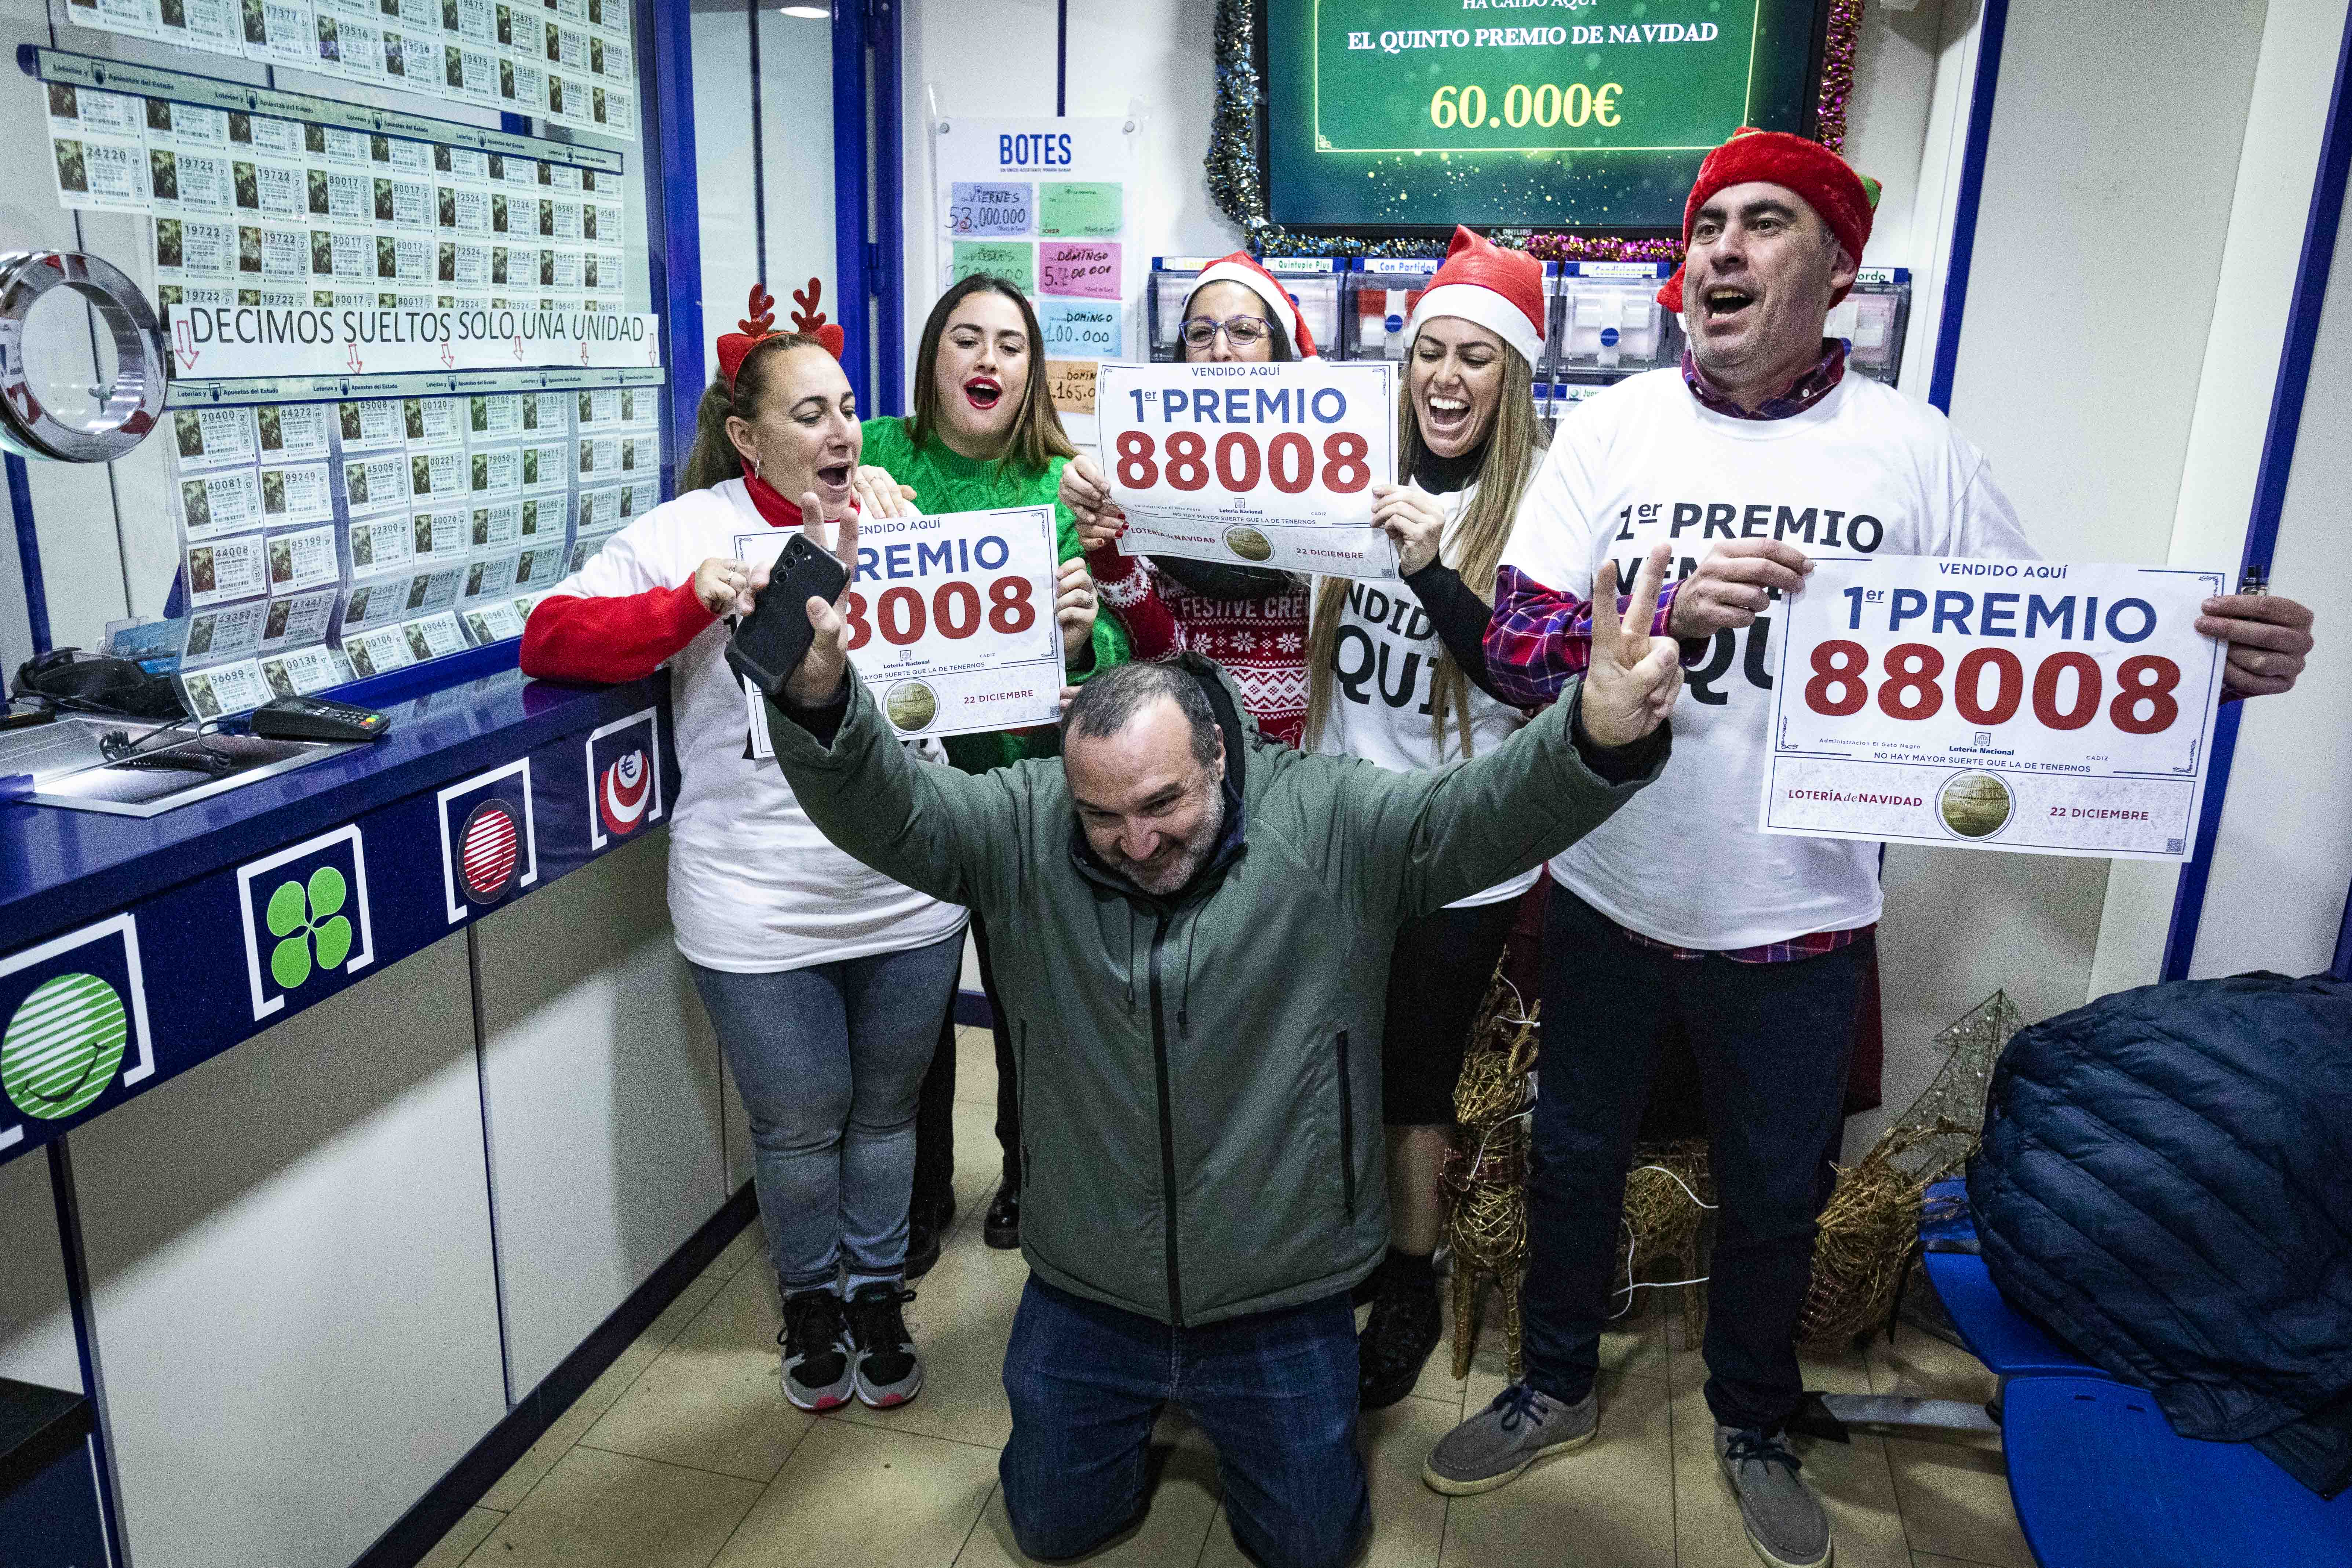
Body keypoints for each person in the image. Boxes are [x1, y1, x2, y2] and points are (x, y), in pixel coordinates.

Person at [1424, 128, 2319, 1568]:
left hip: (1798, 919)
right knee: (1574, 1157)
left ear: (1833, 270)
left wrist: (2205, 664)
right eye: (1705, 225)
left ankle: (1754, 1417)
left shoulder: (1917, 449)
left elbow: (2035, 657)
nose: (1717, 250)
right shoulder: (1614, 430)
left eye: (1760, 224)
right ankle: (1553, 1382)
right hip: (1606, 888)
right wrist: (1657, 611)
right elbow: (1521, 652)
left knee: (1778, 1191)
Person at [751, 491, 1685, 1568]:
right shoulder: (1025, 821)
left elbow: (1470, 817)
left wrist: (1593, 738)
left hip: (1277, 1290)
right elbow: (896, 811)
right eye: (1102, 817)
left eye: (1162, 805)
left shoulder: (1330, 818)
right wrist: (823, 706)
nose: (1135, 842)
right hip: (1089, 1283)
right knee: (1053, 1529)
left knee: (1307, 1548)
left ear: (1218, 754)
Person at [515, 284, 970, 1415]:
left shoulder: (898, 513)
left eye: (849, 409)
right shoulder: (686, 532)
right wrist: (687, 603)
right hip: (753, 903)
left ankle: (876, 1293)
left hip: (904, 890)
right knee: (799, 1116)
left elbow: (967, 674)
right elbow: (551, 638)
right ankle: (809, 1299)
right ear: (745, 433)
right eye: (809, 413)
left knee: (885, 1111)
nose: (840, 433)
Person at [1296, 226, 1554, 1409]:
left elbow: (1524, 678)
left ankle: (1408, 1272)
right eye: (1428, 355)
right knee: (1325, 1057)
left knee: (1413, 1075)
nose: (1445, 379)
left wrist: (1430, 571)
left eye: (1476, 359)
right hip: (1342, 836)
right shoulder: (1351, 473)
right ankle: (1340, 1243)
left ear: (1513, 382)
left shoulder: (1545, 509)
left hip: (1457, 861)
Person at [883, 274, 1129, 1270]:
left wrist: (1079, 638)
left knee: (1033, 1002)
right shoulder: (875, 457)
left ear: (1032, 373)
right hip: (909, 791)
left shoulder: (1057, 483)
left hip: (1032, 792)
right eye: (966, 338)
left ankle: (1029, 1176)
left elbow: (1110, 650)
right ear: (932, 355)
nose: (987, 360)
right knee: (912, 1007)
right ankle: (917, 1190)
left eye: (1010, 346)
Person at [1061, 251, 1318, 744]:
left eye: (1243, 331)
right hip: (1184, 743)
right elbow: (1165, 655)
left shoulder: (1322, 466)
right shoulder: (1146, 466)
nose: (1219, 350)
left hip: (1302, 759)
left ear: (1277, 348)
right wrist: (1106, 545)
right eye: (1200, 333)